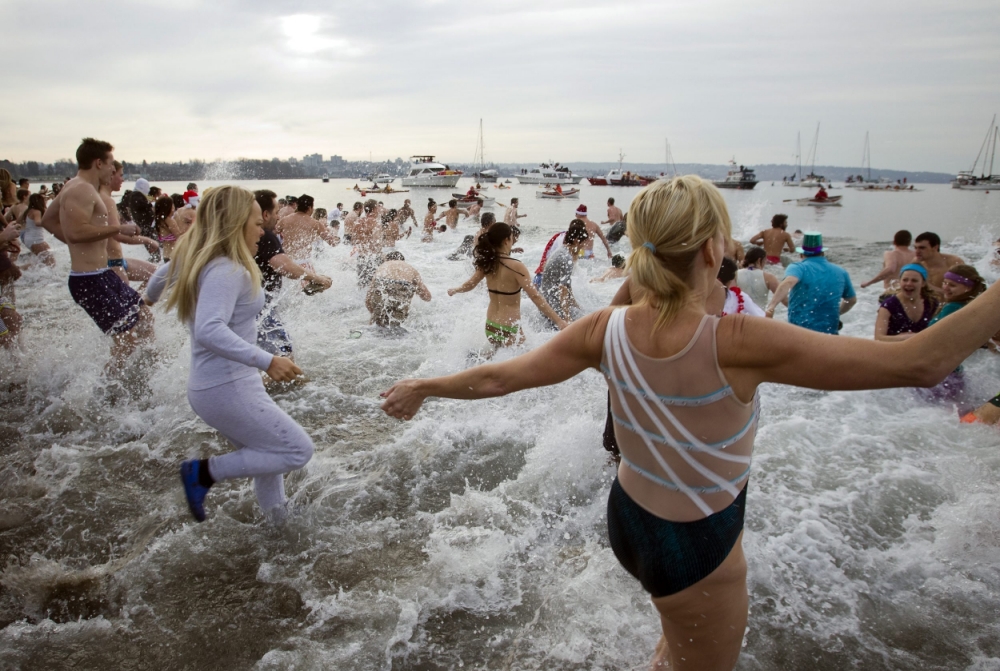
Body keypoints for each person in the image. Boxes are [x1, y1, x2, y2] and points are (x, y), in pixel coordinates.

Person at [379, 174, 1000, 671]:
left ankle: (674, 635)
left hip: (631, 517)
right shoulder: (739, 341)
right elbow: (923, 362)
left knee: (681, 626)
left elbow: (497, 377)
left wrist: (422, 386)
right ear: (714, 250)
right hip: (693, 539)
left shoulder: (604, 328)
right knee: (696, 627)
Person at [142, 186, 313, 523]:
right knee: (296, 450)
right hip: (226, 386)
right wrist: (268, 360)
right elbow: (209, 329)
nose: (263, 230)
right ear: (234, 225)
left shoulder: (197, 256)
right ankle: (203, 473)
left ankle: (278, 523)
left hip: (218, 385)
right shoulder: (228, 269)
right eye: (255, 223)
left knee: (267, 453)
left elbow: (154, 285)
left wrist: (150, 297)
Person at [54, 138, 153, 365]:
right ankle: (110, 395)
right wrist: (119, 228)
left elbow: (50, 222)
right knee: (125, 339)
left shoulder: (78, 187)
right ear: (98, 163)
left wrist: (76, 245)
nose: (112, 168)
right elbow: (76, 233)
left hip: (103, 274)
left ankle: (145, 370)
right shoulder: (81, 189)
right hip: (88, 279)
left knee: (145, 316)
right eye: (110, 164)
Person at [449, 222, 567, 346]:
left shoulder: (488, 263)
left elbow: (471, 284)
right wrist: (559, 321)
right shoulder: (517, 266)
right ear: (506, 240)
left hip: (490, 326)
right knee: (524, 361)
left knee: (500, 358)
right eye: (511, 238)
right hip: (509, 328)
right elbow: (535, 296)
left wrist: (456, 290)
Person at [252, 189, 332, 361]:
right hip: (264, 298)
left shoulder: (277, 225)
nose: (278, 216)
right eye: (275, 212)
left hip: (256, 297)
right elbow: (284, 265)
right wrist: (317, 278)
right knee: (285, 355)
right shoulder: (265, 236)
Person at [765, 232, 856, 333]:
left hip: (800, 332)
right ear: (822, 253)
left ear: (801, 254)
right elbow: (851, 300)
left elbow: (788, 282)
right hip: (829, 333)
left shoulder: (798, 268)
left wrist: (771, 306)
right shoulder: (841, 272)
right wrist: (837, 313)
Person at [102, 162, 159, 286]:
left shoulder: (105, 199)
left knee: (156, 273)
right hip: (112, 264)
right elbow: (117, 235)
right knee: (129, 304)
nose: (123, 179)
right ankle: (139, 302)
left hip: (118, 261)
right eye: (120, 175)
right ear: (110, 175)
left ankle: (140, 301)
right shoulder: (106, 201)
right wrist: (147, 240)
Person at [366, 252, 431, 329]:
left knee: (376, 323)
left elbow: (368, 299)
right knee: (396, 325)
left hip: (382, 282)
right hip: (403, 285)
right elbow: (427, 297)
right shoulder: (409, 268)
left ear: (386, 260)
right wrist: (414, 289)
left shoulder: (383, 267)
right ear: (403, 261)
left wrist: (375, 313)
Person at [540, 219, 589, 323]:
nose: (584, 246)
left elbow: (566, 285)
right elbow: (563, 289)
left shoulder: (563, 251)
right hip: (551, 306)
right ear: (576, 240)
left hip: (546, 303)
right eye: (583, 243)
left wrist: (576, 304)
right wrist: (567, 318)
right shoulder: (566, 258)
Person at [874, 264, 938, 341]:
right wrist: (905, 338)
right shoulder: (888, 305)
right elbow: (878, 338)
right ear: (900, 281)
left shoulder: (932, 303)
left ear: (923, 283)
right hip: (894, 350)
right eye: (905, 280)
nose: (908, 284)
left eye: (914, 280)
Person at [274, 194, 340, 262]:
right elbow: (332, 243)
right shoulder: (314, 223)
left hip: (287, 261)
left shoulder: (285, 220)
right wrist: (337, 238)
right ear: (309, 208)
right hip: (303, 261)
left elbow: (273, 234)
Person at [860, 230, 914, 302]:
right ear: (909, 242)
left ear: (894, 242)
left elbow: (891, 269)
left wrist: (869, 283)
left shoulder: (891, 254)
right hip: (911, 293)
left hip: (893, 293)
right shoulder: (915, 255)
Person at [352, 199, 385, 286]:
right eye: (378, 207)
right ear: (374, 209)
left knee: (361, 285)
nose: (379, 210)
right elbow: (377, 244)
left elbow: (353, 241)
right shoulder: (376, 223)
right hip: (373, 258)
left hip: (361, 257)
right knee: (375, 286)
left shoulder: (357, 222)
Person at [18, 193, 55, 266]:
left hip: (28, 239)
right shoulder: (37, 211)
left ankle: (25, 270)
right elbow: (37, 223)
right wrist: (50, 224)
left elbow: (17, 221)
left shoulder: (28, 211)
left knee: (40, 262)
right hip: (36, 239)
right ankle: (21, 271)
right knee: (51, 263)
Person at [155, 195, 186, 261]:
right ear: (170, 207)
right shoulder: (170, 221)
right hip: (173, 256)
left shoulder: (159, 220)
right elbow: (179, 237)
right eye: (173, 205)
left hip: (166, 255)